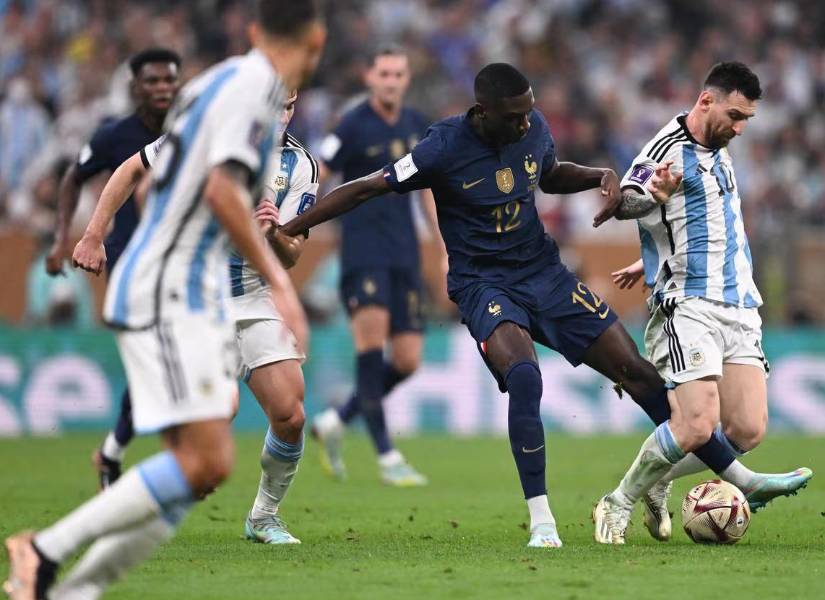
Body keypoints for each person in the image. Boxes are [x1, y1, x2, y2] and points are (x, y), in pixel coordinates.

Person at [278, 62, 789, 548]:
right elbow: (369, 187)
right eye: (515, 116)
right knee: (525, 377)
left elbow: (549, 173)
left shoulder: (532, 127)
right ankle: (542, 520)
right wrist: (294, 227)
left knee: (636, 371)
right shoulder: (443, 146)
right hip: (483, 285)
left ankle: (723, 477)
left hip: (543, 272)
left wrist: (597, 175)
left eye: (530, 112)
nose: (527, 121)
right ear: (483, 111)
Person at [2, 2, 326, 598]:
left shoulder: (225, 93)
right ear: (316, 41)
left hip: (198, 286)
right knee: (201, 459)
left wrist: (277, 251)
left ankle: (63, 578)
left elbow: (164, 184)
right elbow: (214, 190)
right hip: (176, 288)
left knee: (209, 463)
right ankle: (46, 551)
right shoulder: (245, 94)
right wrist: (282, 283)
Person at [72, 89, 318, 546]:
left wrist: (274, 234)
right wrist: (93, 234)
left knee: (291, 414)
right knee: (210, 444)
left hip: (252, 295)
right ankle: (130, 506)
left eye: (285, 106)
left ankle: (263, 517)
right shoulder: (203, 134)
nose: (277, 115)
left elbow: (291, 256)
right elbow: (130, 170)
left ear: (293, 106)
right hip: (196, 298)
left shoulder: (300, 167)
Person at [591, 62, 812, 544]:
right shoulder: (664, 149)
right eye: (734, 115)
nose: (738, 127)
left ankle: (659, 480)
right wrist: (653, 197)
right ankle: (620, 499)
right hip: (688, 302)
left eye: (746, 120)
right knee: (695, 422)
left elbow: (706, 221)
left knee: (747, 429)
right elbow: (626, 201)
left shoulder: (720, 146)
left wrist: (646, 259)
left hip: (740, 303)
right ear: (706, 100)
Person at [45, 46, 182, 489]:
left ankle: (113, 452)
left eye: (169, 80)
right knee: (155, 362)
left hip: (180, 262)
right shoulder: (113, 136)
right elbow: (73, 177)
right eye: (153, 80)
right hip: (128, 263)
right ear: (134, 87)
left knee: (160, 366)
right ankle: (163, 456)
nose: (162, 88)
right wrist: (63, 236)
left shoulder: (191, 130)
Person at [311, 45, 444, 486]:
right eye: (383, 73)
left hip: (404, 251)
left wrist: (441, 247)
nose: (391, 81)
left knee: (407, 360)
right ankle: (387, 456)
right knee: (371, 352)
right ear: (370, 77)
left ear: (406, 79)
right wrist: (304, 220)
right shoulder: (351, 126)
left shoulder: (414, 124)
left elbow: (425, 190)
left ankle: (338, 419)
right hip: (363, 253)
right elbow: (319, 173)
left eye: (398, 74)